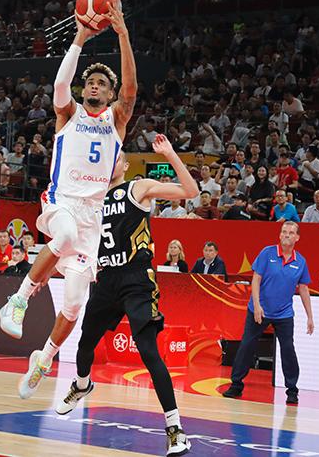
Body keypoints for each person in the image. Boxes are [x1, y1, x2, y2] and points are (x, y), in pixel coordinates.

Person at [0, 2, 137, 402]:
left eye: (101, 84)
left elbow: (131, 90)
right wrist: (79, 37)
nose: (94, 86)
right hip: (61, 201)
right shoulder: (69, 114)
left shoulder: (116, 120)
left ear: (110, 94)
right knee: (63, 235)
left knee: (75, 305)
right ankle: (18, 300)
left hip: (92, 218)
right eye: (90, 81)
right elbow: (60, 87)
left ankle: (43, 359)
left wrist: (123, 34)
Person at [55, 141, 196, 455]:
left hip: (136, 279)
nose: (109, 162)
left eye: (115, 158)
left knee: (148, 351)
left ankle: (175, 430)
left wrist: (169, 155)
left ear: (125, 165)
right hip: (106, 280)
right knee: (84, 345)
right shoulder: (91, 199)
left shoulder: (137, 188)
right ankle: (81, 385)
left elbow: (191, 191)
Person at [223, 221, 313, 404]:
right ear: (279, 235)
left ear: (297, 238)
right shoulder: (267, 253)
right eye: (284, 231)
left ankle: (292, 390)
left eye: (291, 233)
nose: (286, 235)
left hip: (284, 314)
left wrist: (310, 317)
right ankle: (236, 384)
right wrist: (257, 305)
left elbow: (303, 289)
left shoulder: (301, 261)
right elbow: (256, 279)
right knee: (247, 345)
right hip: (259, 310)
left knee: (288, 349)